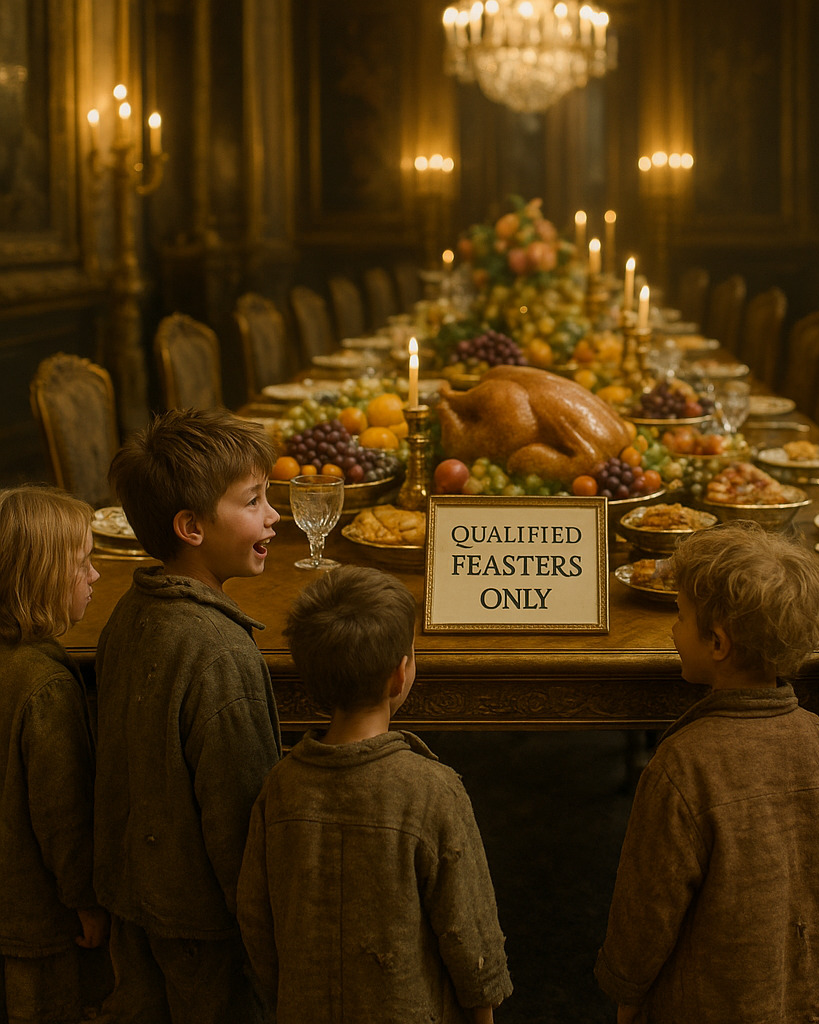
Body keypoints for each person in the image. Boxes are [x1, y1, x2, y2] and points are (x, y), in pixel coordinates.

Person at [595, 522, 819, 1023]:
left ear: (717, 643)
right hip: (800, 994)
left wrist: (625, 991)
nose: (673, 630)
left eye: (680, 616)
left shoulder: (682, 763)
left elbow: (648, 904)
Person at [236, 564, 513, 1024]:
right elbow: (471, 935)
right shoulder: (433, 791)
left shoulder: (281, 785)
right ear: (398, 676)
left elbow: (256, 919)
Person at [93, 408, 283, 1023]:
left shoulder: (129, 611)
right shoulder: (221, 652)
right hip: (206, 927)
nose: (273, 516)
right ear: (191, 526)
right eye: (254, 501)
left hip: (135, 901)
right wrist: (269, 943)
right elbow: (239, 821)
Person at [0, 485, 109, 1023]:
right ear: (40, 576)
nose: (94, 576)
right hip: (38, 923)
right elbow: (62, 815)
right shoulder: (44, 683)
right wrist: (85, 900)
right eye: (83, 562)